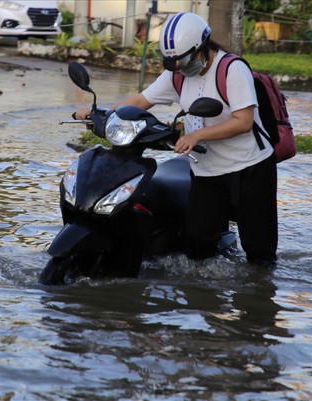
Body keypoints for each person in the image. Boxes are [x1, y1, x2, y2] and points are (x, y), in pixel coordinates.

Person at [74, 12, 277, 266]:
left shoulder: (232, 69)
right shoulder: (177, 74)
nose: (180, 67)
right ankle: (205, 301)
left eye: (184, 60)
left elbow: (243, 121)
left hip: (250, 168)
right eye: (173, 63)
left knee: (259, 250)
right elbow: (141, 100)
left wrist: (198, 135)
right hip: (207, 170)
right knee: (198, 246)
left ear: (203, 47)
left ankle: (259, 297)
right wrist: (101, 113)